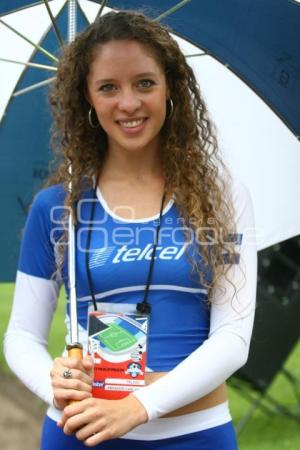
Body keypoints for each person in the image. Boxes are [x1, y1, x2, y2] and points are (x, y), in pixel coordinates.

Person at [4, 10, 257, 450]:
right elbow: (22, 337)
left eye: (144, 83)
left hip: (193, 435)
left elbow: (233, 339)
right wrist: (57, 387)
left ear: (170, 88)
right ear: (86, 99)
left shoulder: (222, 197)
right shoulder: (56, 207)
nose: (128, 103)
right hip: (79, 434)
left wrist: (138, 406)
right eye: (108, 87)